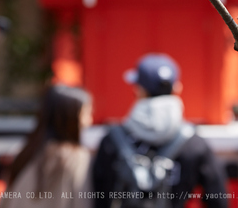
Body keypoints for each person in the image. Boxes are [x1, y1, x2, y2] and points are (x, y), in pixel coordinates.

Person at [92, 54, 227, 208]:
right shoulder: (195, 144)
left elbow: (98, 198)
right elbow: (218, 200)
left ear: (138, 90)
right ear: (177, 89)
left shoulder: (112, 141)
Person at [2, 85, 93, 208]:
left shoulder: (25, 153)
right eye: (86, 113)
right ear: (71, 118)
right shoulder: (76, 158)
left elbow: (4, 202)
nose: (89, 121)